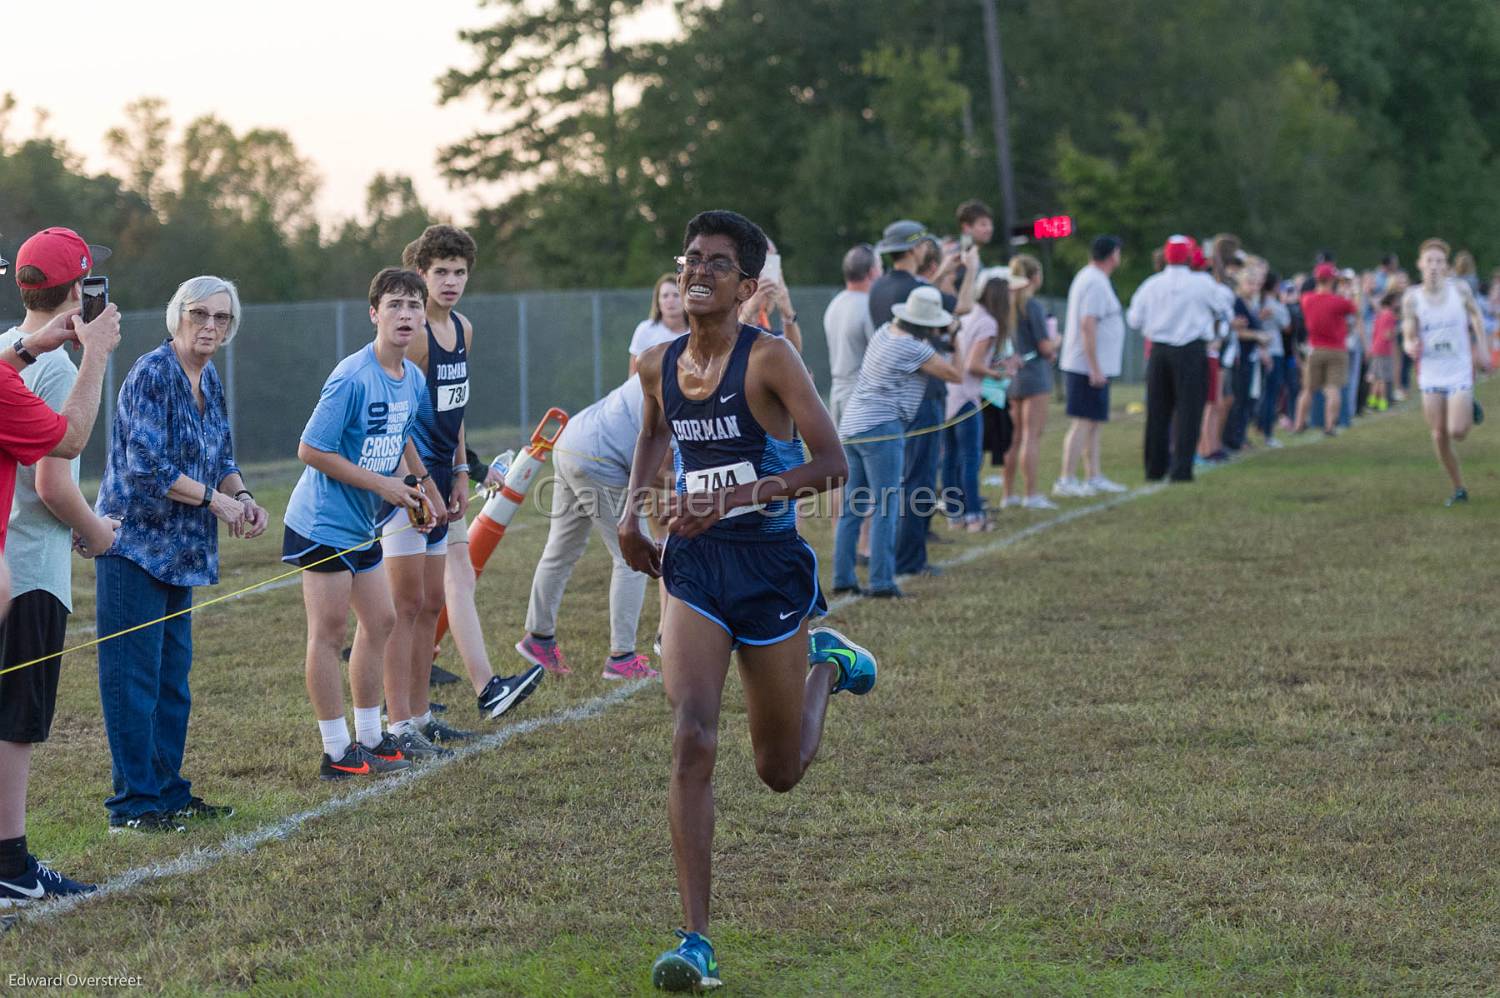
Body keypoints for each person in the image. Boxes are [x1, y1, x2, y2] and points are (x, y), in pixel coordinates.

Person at [618, 210, 876, 992]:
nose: (697, 272)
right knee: (692, 733)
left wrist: (731, 498)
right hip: (695, 567)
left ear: (748, 286)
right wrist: (633, 511)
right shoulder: (655, 363)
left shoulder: (773, 360)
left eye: (717, 264)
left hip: (769, 567)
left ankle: (825, 664)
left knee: (780, 770)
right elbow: (656, 436)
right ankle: (695, 939)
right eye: (690, 258)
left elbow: (831, 462)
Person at [93, 274, 268, 832]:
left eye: (222, 318)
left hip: (183, 552)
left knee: (173, 681)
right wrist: (215, 500)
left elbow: (222, 455)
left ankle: (168, 792)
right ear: (178, 316)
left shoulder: (208, 378)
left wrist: (241, 496)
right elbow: (147, 467)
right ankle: (134, 805)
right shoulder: (152, 374)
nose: (210, 326)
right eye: (200, 315)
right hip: (134, 548)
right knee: (134, 679)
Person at [0, 227, 122, 900]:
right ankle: (11, 864)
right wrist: (95, 530)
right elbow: (54, 475)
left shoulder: (10, 351)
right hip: (29, 568)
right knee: (15, 721)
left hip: (10, 556)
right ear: (78, 290)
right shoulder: (57, 366)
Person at [282, 268, 440, 781]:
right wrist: (383, 486)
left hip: (361, 525)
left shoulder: (412, 377)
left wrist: (422, 485)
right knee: (328, 633)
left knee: (382, 621)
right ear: (374, 314)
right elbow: (310, 449)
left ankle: (371, 736)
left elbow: (400, 435)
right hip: (321, 523)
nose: (406, 315)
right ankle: (335, 749)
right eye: (394, 305)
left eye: (414, 306)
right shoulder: (352, 376)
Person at [393, 231, 546, 727]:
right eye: (441, 272)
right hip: (408, 480)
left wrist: (462, 470)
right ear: (421, 274)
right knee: (406, 604)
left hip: (444, 475)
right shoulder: (412, 336)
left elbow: (455, 410)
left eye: (459, 272)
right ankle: (402, 713)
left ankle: (475, 691)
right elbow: (392, 419)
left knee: (451, 585)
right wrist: (422, 482)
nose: (452, 281)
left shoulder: (464, 329)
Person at [520, 373, 661, 679]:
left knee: (560, 550)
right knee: (633, 555)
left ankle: (538, 637)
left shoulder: (669, 358)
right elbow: (663, 468)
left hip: (571, 442)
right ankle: (622, 657)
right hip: (600, 457)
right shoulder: (689, 379)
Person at [835, 286, 964, 595]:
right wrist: (954, 336)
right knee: (886, 505)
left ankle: (843, 578)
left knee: (853, 506)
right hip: (881, 428)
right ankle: (881, 582)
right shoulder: (914, 349)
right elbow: (954, 374)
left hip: (852, 424)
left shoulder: (883, 332)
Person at [1129, 235, 1231, 482]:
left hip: (1159, 351)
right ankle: (1181, 469)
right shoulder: (1202, 283)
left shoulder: (1151, 284)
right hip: (1191, 350)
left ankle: (1154, 468)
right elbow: (1225, 309)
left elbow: (1134, 319)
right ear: (1189, 256)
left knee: (1157, 412)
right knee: (1189, 411)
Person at [1401, 238, 1491, 506]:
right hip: (1430, 372)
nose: (1434, 266)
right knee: (1438, 433)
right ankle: (1458, 487)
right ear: (1420, 265)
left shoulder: (1460, 290)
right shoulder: (1412, 298)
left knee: (1458, 431)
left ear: (1447, 266)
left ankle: (1467, 405)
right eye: (1429, 261)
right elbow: (1407, 332)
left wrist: (1482, 349)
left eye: (1439, 261)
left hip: (1458, 370)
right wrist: (1409, 345)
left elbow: (1476, 316)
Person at [942, 272, 1017, 530]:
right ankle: (974, 516)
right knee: (970, 459)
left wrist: (996, 364)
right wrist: (999, 373)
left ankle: (955, 515)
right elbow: (973, 365)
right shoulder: (989, 324)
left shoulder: (970, 313)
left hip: (950, 394)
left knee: (951, 458)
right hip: (966, 397)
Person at [1055, 235, 1128, 496]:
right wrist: (1094, 366)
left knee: (1094, 422)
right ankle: (1066, 479)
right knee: (1083, 422)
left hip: (1093, 366)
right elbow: (1088, 324)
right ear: (1112, 254)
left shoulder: (1094, 278)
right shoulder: (1094, 281)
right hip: (1085, 366)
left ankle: (1093, 476)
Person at [1001, 253, 1057, 509]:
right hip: (1034, 374)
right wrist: (1059, 340)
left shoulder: (1007, 304)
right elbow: (1045, 347)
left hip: (1013, 377)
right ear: (1035, 277)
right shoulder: (1032, 306)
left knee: (1014, 437)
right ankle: (1031, 494)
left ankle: (1008, 493)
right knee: (1031, 436)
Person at [822, 244, 881, 431]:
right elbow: (879, 355)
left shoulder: (835, 303)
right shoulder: (868, 306)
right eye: (881, 268)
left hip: (837, 395)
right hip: (861, 399)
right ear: (872, 272)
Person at [1294, 262, 1356, 436]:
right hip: (1337, 349)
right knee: (1332, 389)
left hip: (1315, 348)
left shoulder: (1306, 299)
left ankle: (1299, 424)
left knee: (1308, 389)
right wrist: (1349, 291)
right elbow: (1353, 309)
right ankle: (1330, 426)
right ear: (1332, 280)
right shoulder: (1339, 302)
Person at [737, 237, 802, 351]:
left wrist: (787, 312)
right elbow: (727, 349)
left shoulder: (767, 327)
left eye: (772, 264)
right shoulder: (722, 310)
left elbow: (794, 355)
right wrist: (750, 310)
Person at [629, 273, 690, 375]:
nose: (670, 300)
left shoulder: (697, 332)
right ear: (658, 301)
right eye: (665, 296)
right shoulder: (645, 330)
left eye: (676, 295)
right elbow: (633, 373)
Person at [1366, 288, 1400, 412]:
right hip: (1384, 350)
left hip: (1376, 348)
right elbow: (1388, 335)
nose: (1398, 303)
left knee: (1375, 378)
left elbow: (1375, 332)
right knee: (1384, 378)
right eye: (1396, 301)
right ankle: (1383, 403)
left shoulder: (1379, 314)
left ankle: (1371, 403)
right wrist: (1397, 331)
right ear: (1391, 302)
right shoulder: (1390, 315)